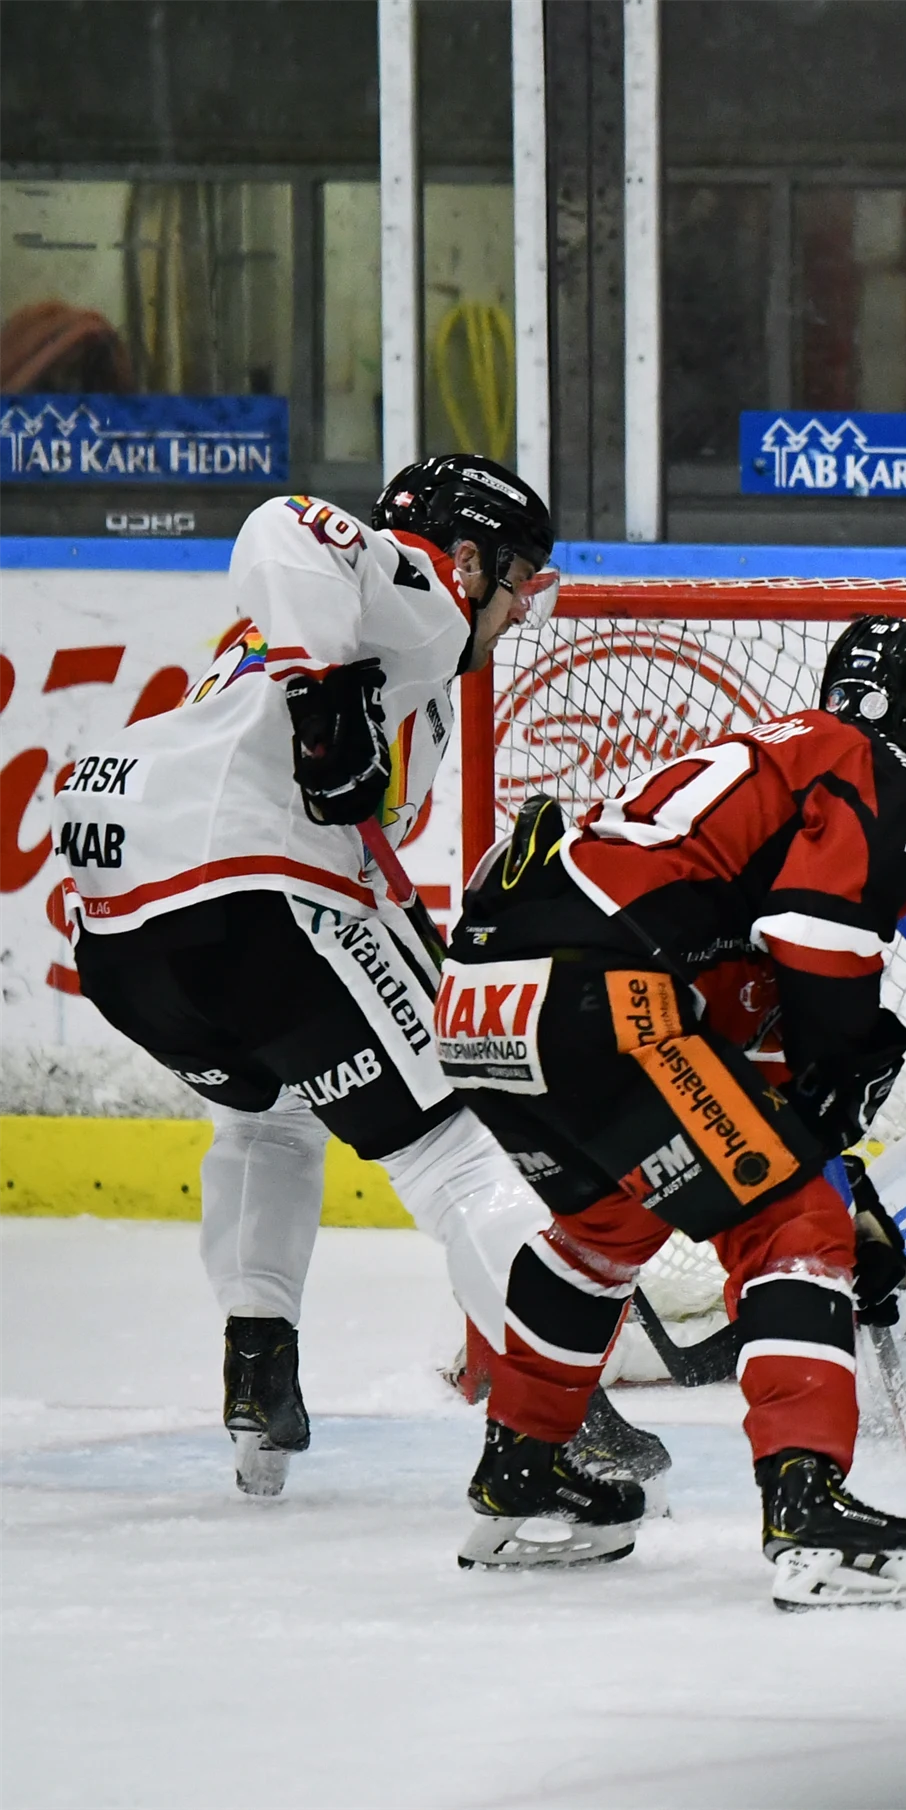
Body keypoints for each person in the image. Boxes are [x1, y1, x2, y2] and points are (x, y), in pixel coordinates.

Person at [57, 457, 596, 1498]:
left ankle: (259, 1382)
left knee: (276, 1113)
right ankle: (565, 1420)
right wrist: (324, 697)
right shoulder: (422, 595)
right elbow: (282, 522)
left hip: (123, 924)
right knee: (461, 1142)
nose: (523, 606)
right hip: (241, 887)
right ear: (472, 554)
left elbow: (358, 842)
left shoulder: (400, 690)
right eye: (520, 575)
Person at [432, 616, 906, 1607]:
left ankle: (520, 1473)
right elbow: (818, 943)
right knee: (788, 1223)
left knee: (606, 1227)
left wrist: (829, 1153)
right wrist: (843, 1077)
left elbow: (739, 1056)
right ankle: (809, 1507)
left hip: (482, 1002)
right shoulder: (868, 772)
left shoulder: (762, 777)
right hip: (594, 992)